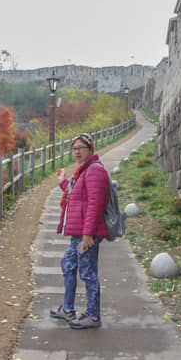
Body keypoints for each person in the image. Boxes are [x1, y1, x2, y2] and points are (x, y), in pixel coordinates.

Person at [50, 133, 110, 329]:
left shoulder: (94, 171)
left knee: (87, 272)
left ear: (90, 149)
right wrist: (63, 181)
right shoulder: (83, 170)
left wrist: (88, 235)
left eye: (80, 148)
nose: (76, 151)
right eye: (74, 148)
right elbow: (77, 194)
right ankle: (67, 309)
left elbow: (95, 204)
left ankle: (93, 316)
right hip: (79, 233)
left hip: (86, 234)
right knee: (68, 265)